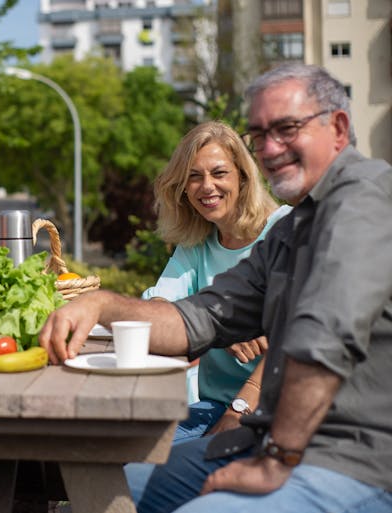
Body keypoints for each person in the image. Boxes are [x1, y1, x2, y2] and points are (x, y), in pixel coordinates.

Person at [38, 63, 392, 513]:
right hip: (266, 440)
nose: (270, 148)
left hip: (353, 460)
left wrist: (274, 457)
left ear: (338, 128)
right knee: (114, 490)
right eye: (260, 134)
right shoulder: (293, 230)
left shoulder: (364, 202)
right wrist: (101, 304)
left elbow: (323, 339)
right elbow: (198, 318)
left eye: (287, 129)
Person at [144, 121, 290, 443]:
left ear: (242, 175)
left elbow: (300, 340)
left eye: (219, 173)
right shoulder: (197, 243)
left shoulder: (287, 232)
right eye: (194, 176)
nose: (206, 186)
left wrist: (239, 410)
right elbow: (156, 311)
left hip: (281, 409)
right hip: (214, 405)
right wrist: (219, 330)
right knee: (135, 451)